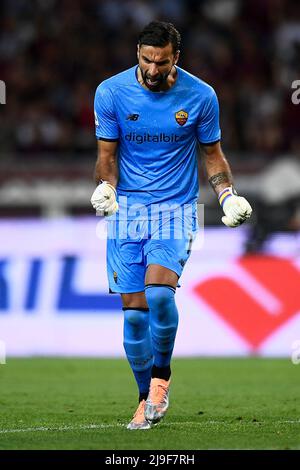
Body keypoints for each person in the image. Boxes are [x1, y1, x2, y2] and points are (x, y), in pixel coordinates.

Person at [91, 21, 252, 430]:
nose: (151, 69)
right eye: (145, 60)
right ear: (138, 55)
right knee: (133, 317)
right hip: (126, 213)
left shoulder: (201, 96)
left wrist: (227, 195)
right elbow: (106, 155)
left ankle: (161, 379)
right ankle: (145, 398)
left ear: (175, 58)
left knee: (160, 294)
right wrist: (106, 188)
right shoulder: (110, 92)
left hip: (175, 210)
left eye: (160, 62)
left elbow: (212, 154)